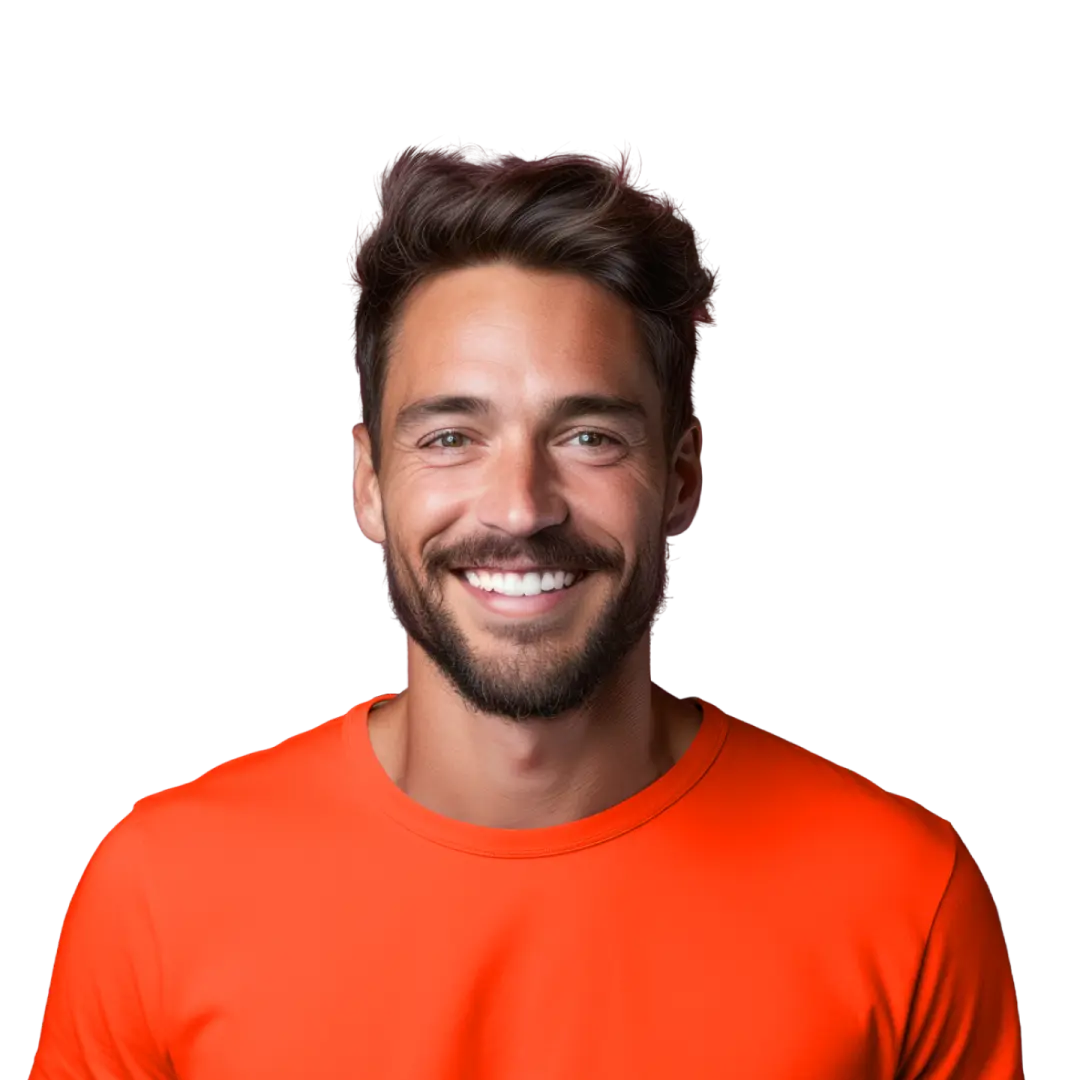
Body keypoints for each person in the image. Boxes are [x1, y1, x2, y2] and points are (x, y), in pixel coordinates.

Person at [31, 139, 1023, 1077]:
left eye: (588, 437)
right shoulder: (160, 893)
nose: (521, 507)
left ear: (681, 478)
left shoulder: (901, 894)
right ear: (367, 484)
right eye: (452, 437)